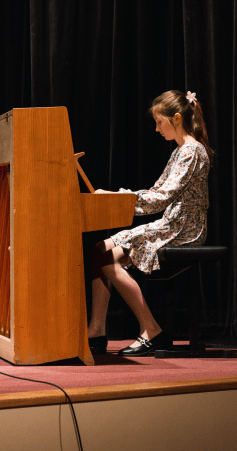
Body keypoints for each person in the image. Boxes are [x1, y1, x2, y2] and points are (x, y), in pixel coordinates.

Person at [88, 90, 214, 356]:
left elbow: (161, 198)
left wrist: (117, 200)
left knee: (107, 259)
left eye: (159, 122)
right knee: (98, 250)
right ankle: (96, 330)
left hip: (184, 229)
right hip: (172, 224)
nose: (157, 129)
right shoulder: (180, 151)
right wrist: (117, 197)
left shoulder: (191, 151)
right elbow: (157, 190)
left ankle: (151, 330)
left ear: (176, 118)